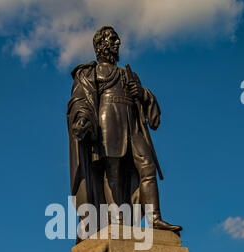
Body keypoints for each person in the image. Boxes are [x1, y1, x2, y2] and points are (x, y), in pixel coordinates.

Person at [67, 25, 182, 235]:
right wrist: (82, 120)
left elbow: (149, 108)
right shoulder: (89, 72)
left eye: (117, 40)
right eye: (112, 39)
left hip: (132, 123)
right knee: (113, 169)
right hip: (107, 119)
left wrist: (143, 94)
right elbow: (81, 101)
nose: (117, 43)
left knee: (147, 167)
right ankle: (116, 218)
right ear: (101, 45)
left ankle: (155, 218)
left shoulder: (129, 73)